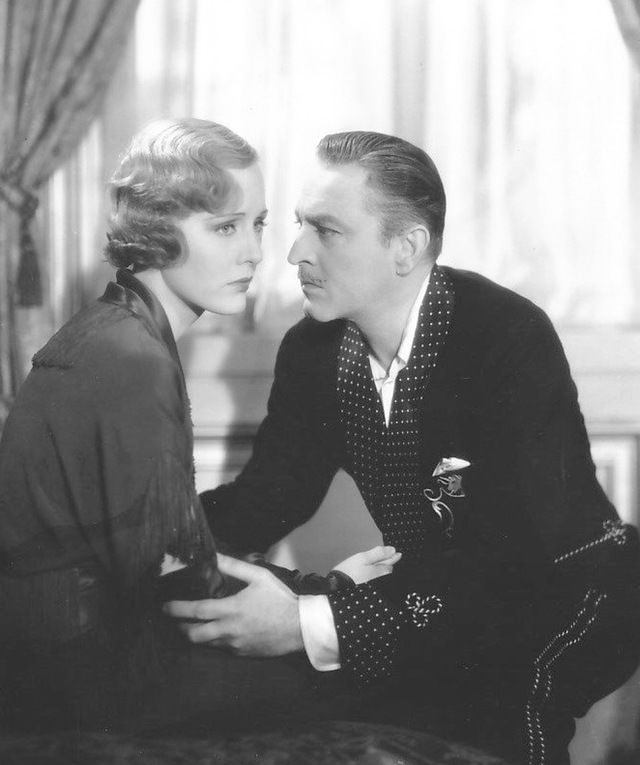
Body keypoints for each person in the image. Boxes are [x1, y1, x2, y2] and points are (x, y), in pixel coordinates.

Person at [166, 130, 640, 764]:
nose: (296, 253)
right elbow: (269, 497)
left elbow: (513, 559)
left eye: (327, 231)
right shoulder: (312, 350)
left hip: (567, 593)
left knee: (496, 705)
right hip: (438, 597)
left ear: (407, 247)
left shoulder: (506, 335)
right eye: (300, 225)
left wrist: (310, 621)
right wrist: (155, 547)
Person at [0, 118, 400, 735]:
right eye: (225, 227)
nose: (254, 252)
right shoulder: (131, 359)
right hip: (80, 674)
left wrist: (314, 594)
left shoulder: (118, 330)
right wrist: (332, 595)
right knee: (371, 674)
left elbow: (166, 551)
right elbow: (176, 583)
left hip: (72, 649)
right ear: (155, 229)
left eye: (258, 224)